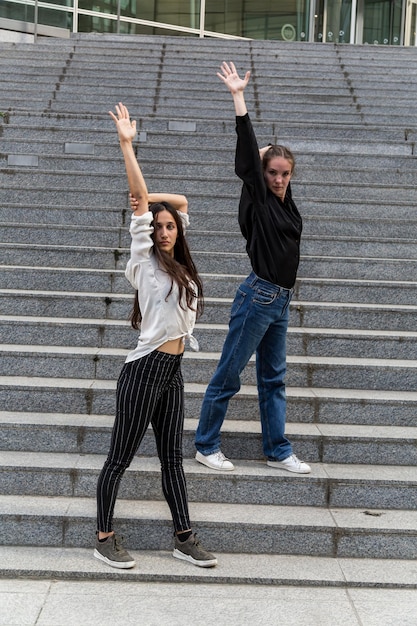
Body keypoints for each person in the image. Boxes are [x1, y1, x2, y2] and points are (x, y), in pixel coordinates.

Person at [95, 102, 217, 569]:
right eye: (157, 225)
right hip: (144, 370)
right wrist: (128, 147)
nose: (164, 230)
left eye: (169, 227)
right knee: (119, 458)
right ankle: (104, 537)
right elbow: (145, 208)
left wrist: (155, 201)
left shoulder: (181, 265)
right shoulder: (143, 261)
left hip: (174, 370)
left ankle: (183, 537)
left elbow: (180, 203)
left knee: (172, 460)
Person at [195, 62, 311, 475]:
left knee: (274, 380)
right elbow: (248, 156)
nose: (278, 180)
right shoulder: (259, 201)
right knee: (229, 373)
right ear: (262, 175)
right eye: (272, 174)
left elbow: (269, 171)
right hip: (258, 295)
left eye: (285, 174)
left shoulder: (287, 205)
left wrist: (271, 160)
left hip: (280, 300)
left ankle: (277, 450)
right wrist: (238, 98)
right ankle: (206, 444)